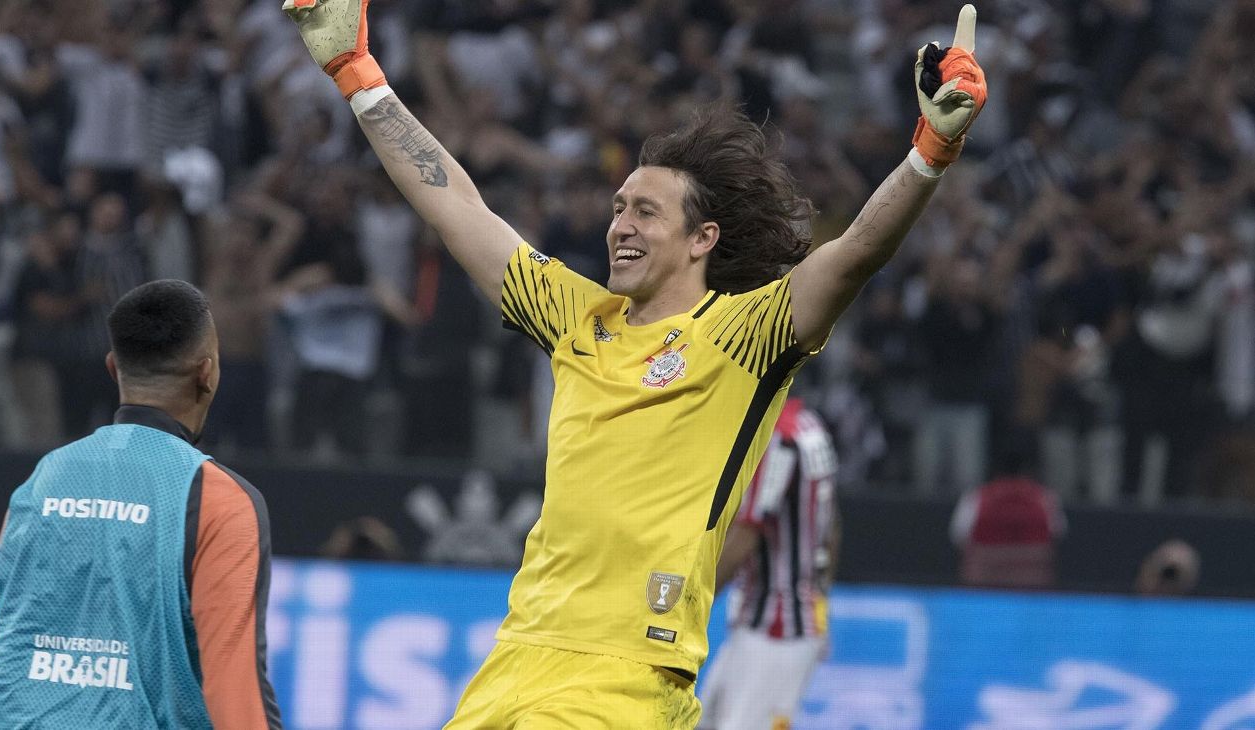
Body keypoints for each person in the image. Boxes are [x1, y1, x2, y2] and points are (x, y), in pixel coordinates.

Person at [286, 2, 987, 726]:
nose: (620, 224)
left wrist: (931, 149)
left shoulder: (744, 336)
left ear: (700, 239)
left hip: (621, 684)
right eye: (619, 207)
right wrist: (358, 75)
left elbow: (854, 254)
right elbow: (454, 204)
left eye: (646, 212)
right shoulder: (574, 317)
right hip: (514, 662)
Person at [0, 280, 281, 729]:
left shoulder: (43, 479)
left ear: (114, 368)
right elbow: (235, 691)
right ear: (208, 372)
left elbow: (0, 642)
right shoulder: (218, 499)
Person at [699, 398, 841, 729]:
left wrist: (690, 607)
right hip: (786, 620)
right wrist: (821, 603)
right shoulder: (810, 425)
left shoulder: (778, 437)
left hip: (775, 629)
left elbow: (747, 534)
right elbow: (832, 526)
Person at [950, 439, 1067, 589]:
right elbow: (1058, 533)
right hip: (1028, 580)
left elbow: (959, 535)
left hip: (988, 581)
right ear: (1028, 470)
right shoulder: (1046, 497)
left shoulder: (975, 497)